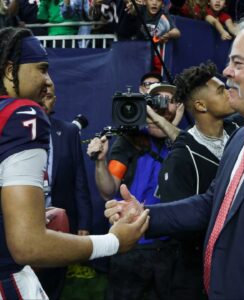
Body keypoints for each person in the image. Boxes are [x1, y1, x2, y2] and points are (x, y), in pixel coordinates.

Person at [104, 15, 244, 298]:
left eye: (238, 63)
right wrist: (145, 215)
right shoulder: (243, 137)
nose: (227, 71)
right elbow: (213, 204)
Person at [0, 26, 149, 299]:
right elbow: (27, 245)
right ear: (10, 71)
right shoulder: (22, 114)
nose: (48, 81)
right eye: (42, 69)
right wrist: (112, 241)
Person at [145, 62, 236, 300]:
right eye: (220, 90)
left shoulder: (242, 133)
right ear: (200, 105)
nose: (229, 92)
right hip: (197, 274)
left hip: (238, 264)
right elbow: (181, 224)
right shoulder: (181, 159)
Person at [87, 83, 183, 300]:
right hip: (132, 243)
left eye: (170, 101)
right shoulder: (131, 140)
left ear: (180, 107)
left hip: (172, 247)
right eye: (156, 102)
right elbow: (108, 189)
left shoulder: (185, 144)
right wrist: (100, 162)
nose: (163, 107)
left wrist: (174, 126)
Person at [36, 82, 93, 299]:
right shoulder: (15, 129)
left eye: (48, 97)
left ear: (55, 101)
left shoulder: (67, 131)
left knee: (53, 284)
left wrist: (84, 223)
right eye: (39, 96)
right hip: (21, 221)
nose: (43, 101)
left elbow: (80, 180)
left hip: (58, 225)